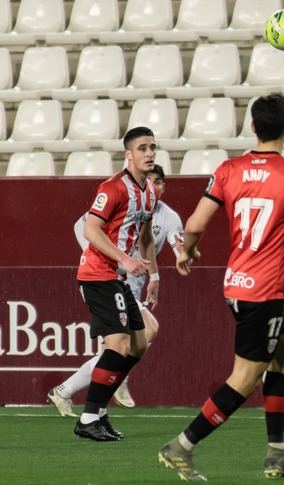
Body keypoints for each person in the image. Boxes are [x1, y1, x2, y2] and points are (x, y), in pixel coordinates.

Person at [158, 94, 284, 481]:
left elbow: (193, 224)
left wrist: (185, 252)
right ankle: (181, 446)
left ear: (252, 127)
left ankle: (277, 454)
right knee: (243, 379)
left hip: (236, 284)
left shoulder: (228, 170)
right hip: (263, 293)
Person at [47, 164, 183, 415]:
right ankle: (96, 408)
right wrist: (110, 259)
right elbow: (84, 227)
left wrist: (164, 269)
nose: (156, 185)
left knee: (128, 345)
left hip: (130, 283)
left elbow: (162, 243)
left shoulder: (167, 216)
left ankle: (68, 392)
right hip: (108, 279)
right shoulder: (119, 197)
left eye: (161, 181)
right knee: (130, 341)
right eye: (152, 180)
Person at [73, 126, 160, 441]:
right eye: (142, 148)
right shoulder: (113, 188)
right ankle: (87, 418)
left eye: (152, 147)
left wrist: (155, 275)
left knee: (139, 342)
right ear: (128, 154)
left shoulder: (150, 191)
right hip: (98, 275)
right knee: (119, 345)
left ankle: (99, 413)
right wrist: (124, 259)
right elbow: (91, 230)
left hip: (119, 278)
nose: (149, 153)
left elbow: (147, 236)